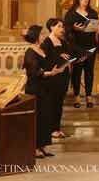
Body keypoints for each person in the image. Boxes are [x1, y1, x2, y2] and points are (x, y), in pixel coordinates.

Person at [22, 25, 62, 158]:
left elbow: (48, 65)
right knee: (37, 119)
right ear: (36, 36)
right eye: (42, 34)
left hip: (46, 88)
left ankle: (43, 146)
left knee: (45, 118)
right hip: (35, 88)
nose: (44, 36)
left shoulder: (41, 49)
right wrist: (49, 73)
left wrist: (56, 69)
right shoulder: (30, 51)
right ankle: (34, 147)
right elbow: (33, 71)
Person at [41, 18, 77, 139]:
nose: (62, 29)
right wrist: (58, 56)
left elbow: (70, 54)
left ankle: (57, 128)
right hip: (52, 78)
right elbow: (45, 59)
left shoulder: (63, 42)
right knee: (52, 104)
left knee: (59, 104)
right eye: (59, 26)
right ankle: (51, 129)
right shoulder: (46, 42)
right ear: (51, 27)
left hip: (63, 77)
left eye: (63, 27)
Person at [64, 0, 99, 109]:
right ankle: (77, 96)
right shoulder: (71, 13)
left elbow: (96, 27)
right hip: (76, 46)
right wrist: (73, 28)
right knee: (77, 71)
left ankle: (89, 96)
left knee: (89, 71)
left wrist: (96, 29)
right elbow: (65, 30)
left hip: (90, 45)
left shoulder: (93, 13)